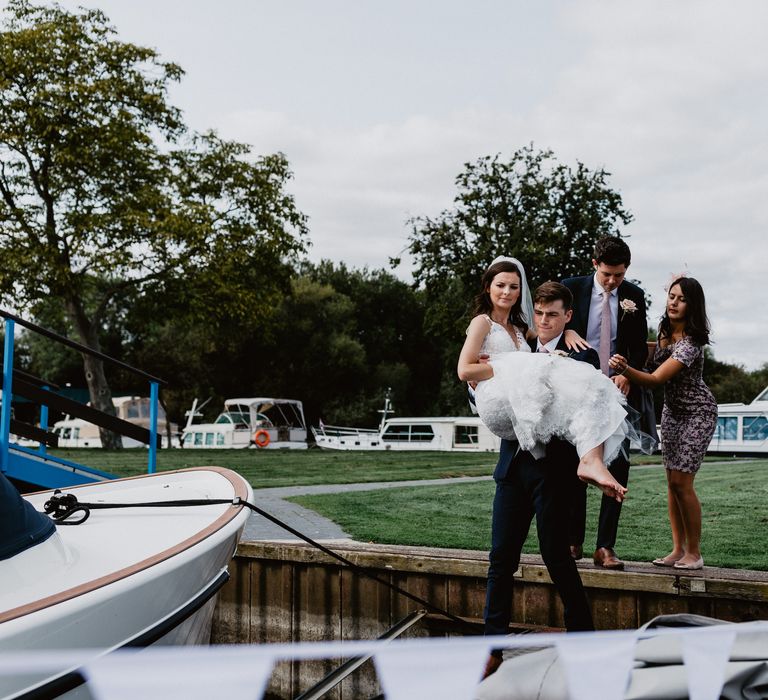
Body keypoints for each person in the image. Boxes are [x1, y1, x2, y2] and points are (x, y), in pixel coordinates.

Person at [472, 279, 605, 679]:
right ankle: (491, 646)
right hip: (513, 468)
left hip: (556, 474)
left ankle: (583, 639)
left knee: (556, 557)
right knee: (500, 559)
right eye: (540, 314)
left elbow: (580, 409)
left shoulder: (584, 357)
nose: (545, 321)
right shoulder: (516, 351)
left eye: (553, 315)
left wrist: (562, 351)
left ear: (567, 317)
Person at [458, 259, 628, 499]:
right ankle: (591, 459)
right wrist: (503, 367)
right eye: (501, 285)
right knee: (586, 382)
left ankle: (591, 458)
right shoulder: (481, 322)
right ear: (488, 287)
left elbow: (546, 339)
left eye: (514, 287)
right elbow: (464, 371)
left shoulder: (520, 329)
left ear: (520, 291)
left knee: (591, 384)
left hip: (546, 453)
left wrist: (568, 330)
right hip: (504, 414)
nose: (507, 292)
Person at [610, 275, 716, 570]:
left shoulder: (692, 344)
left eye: (682, 299)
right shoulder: (666, 332)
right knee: (671, 483)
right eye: (672, 296)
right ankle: (677, 550)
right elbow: (651, 353)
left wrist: (625, 368)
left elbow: (655, 379)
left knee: (683, 483)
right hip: (672, 412)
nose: (674, 302)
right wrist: (630, 345)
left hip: (698, 413)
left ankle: (694, 553)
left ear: (692, 305)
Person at [562, 235, 649, 570]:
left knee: (618, 464)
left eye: (620, 275)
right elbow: (545, 325)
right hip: (577, 390)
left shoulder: (635, 297)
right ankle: (573, 541)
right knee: (578, 466)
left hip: (617, 392)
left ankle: (605, 547)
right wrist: (566, 332)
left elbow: (639, 345)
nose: (613, 282)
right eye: (608, 274)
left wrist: (629, 370)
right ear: (595, 264)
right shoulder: (571, 289)